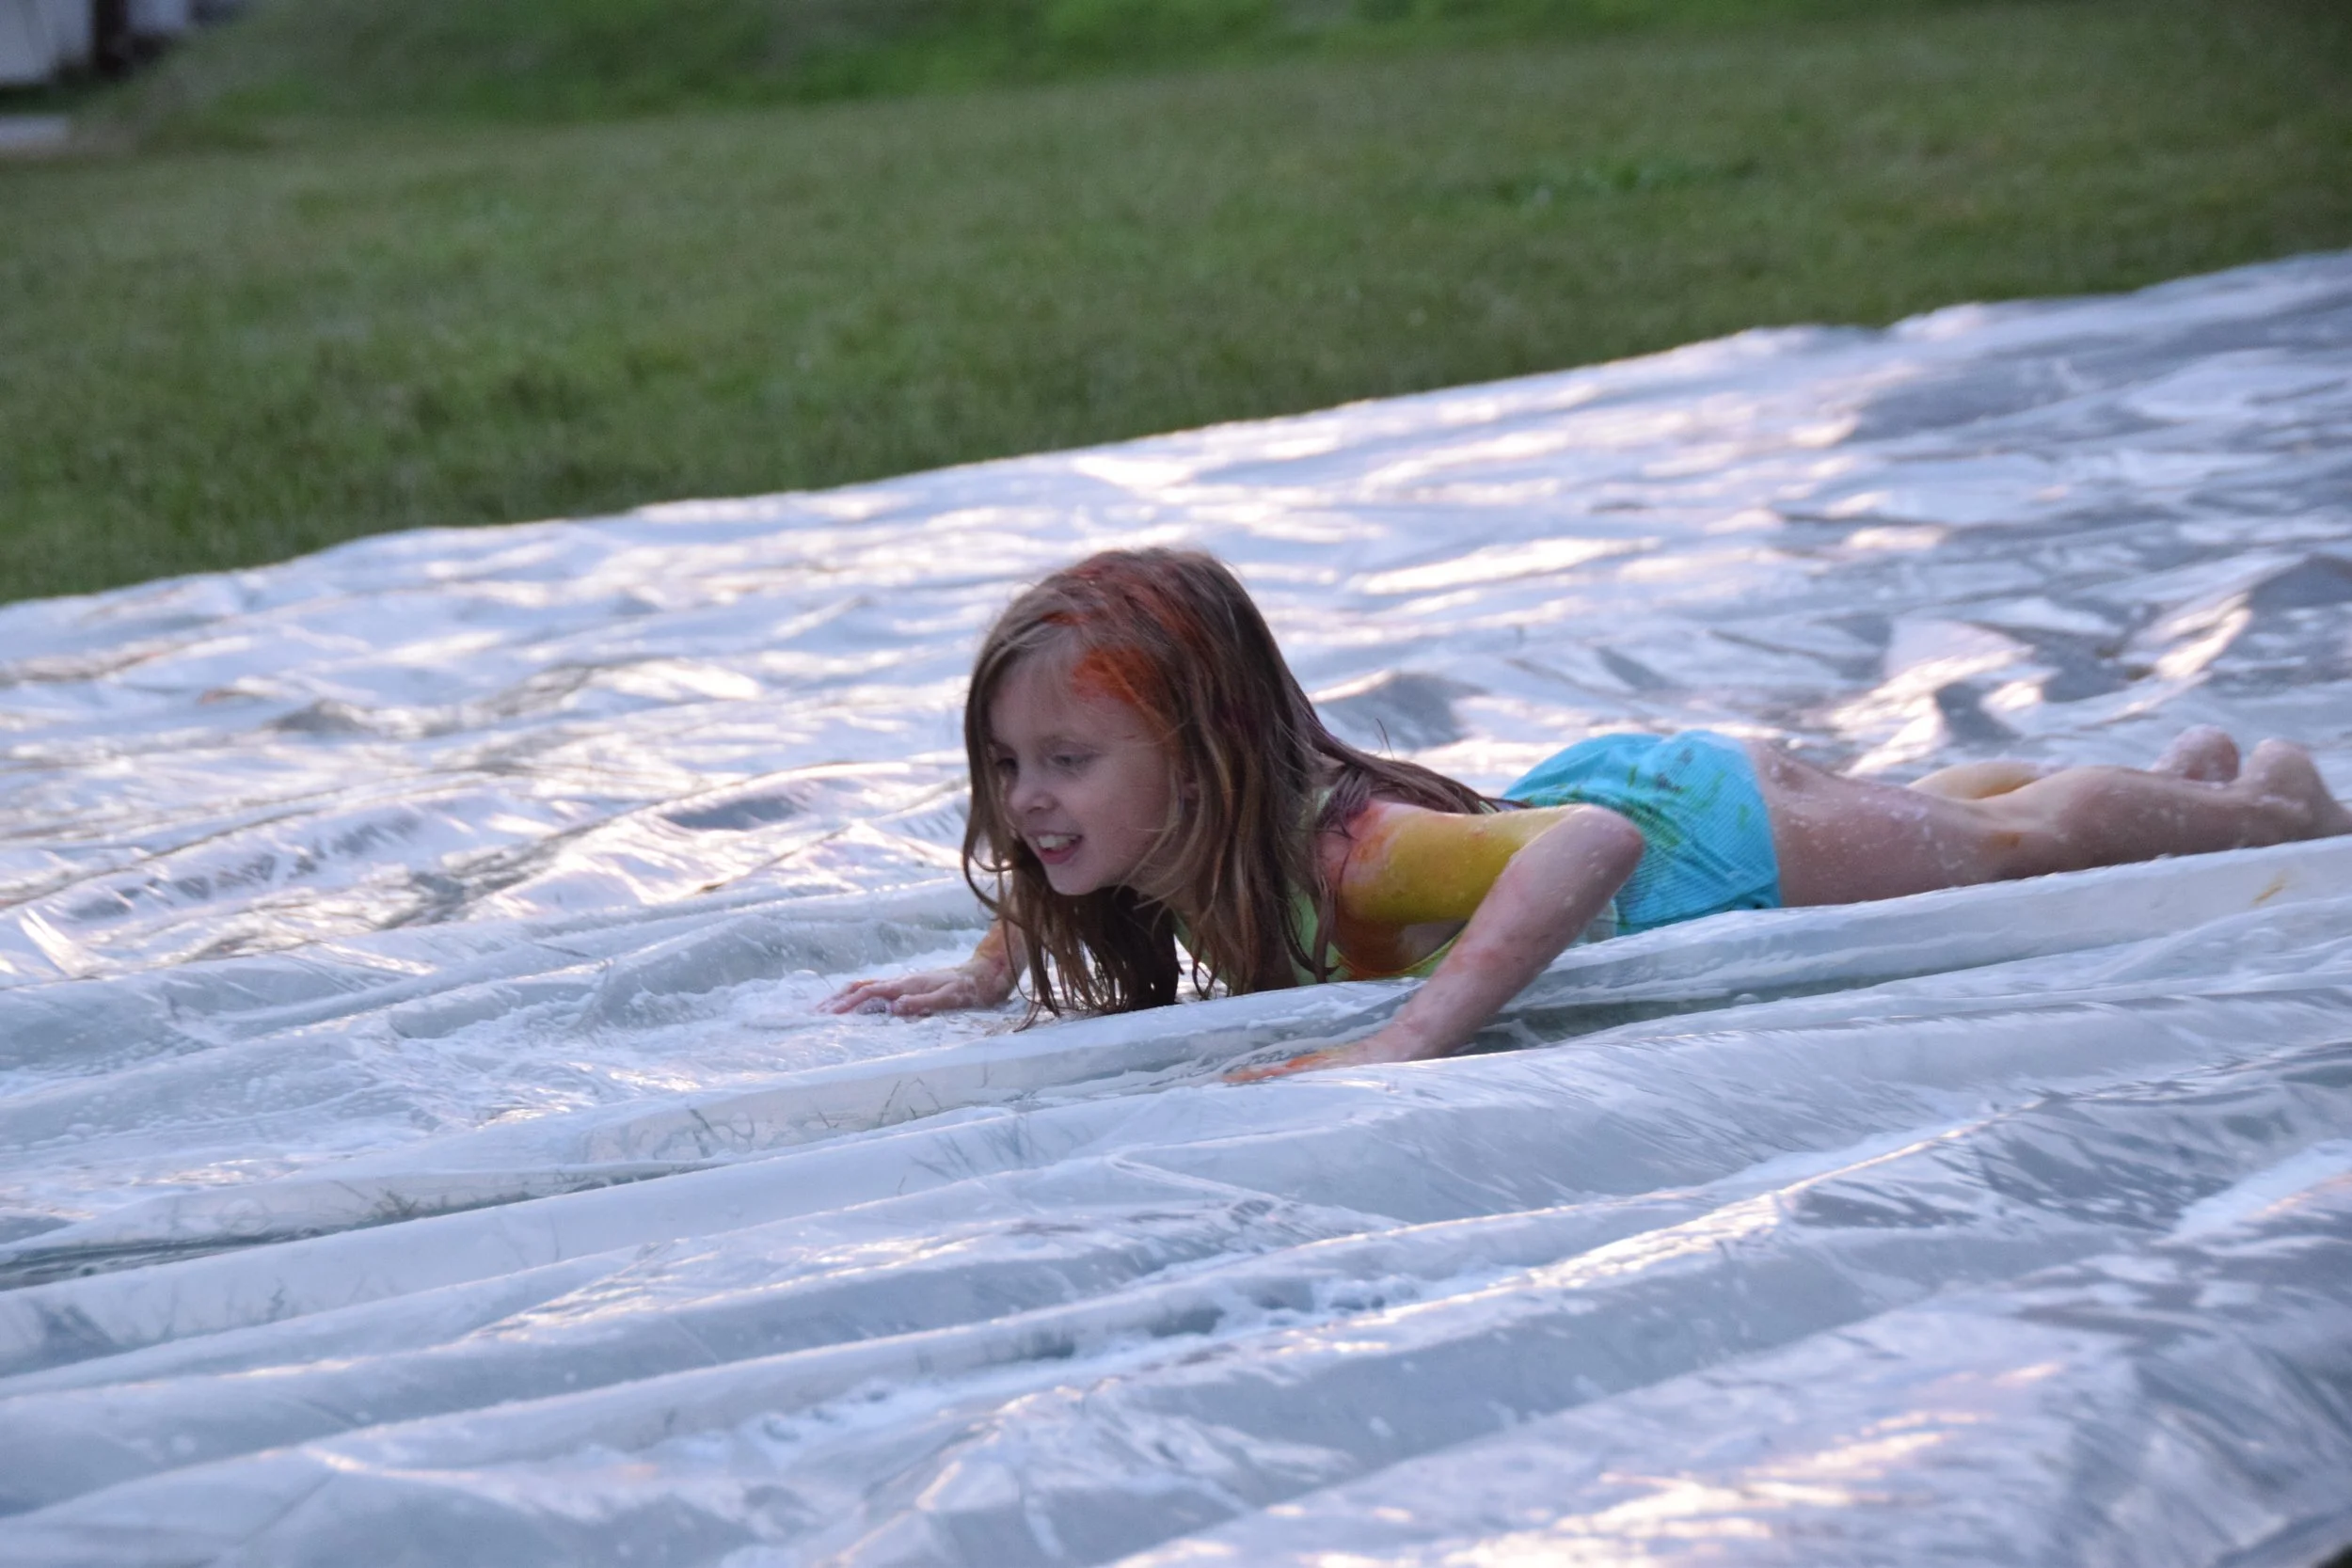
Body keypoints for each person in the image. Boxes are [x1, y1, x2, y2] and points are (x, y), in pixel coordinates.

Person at [821, 548, 2350, 1075]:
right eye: (1010, 761)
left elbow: (1592, 848)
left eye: (1065, 760)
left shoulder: (1356, 850)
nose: (1026, 799)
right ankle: (2196, 773)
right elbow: (1065, 859)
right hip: (1631, 802)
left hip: (1702, 843)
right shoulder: (1150, 828)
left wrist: (1415, 1031)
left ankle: (2271, 806)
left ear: (1204, 755)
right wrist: (988, 967)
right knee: (1934, 803)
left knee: (2006, 851)